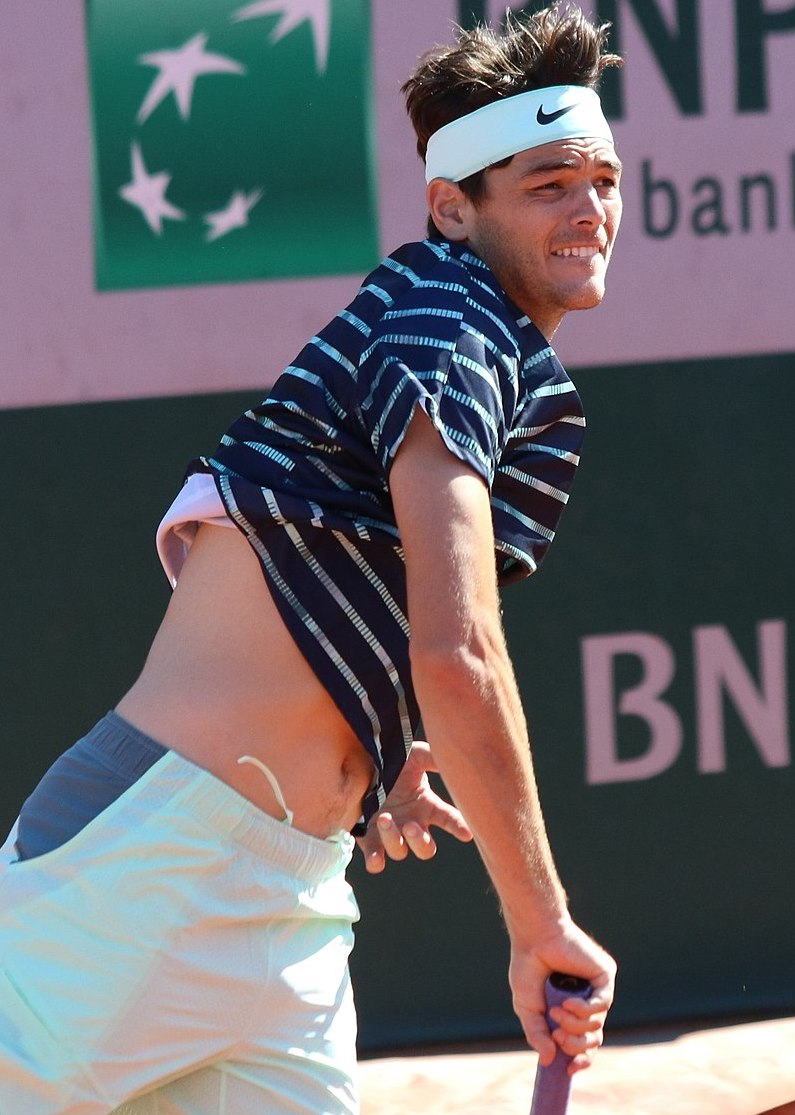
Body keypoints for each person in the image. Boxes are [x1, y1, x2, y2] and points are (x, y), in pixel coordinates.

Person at [0, 4, 623, 1112]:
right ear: (452, 206)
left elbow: (316, 562)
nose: (589, 209)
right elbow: (459, 654)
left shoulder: (462, 329)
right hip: (139, 876)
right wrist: (539, 924)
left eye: (602, 180)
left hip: (291, 896)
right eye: (547, 184)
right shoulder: (444, 320)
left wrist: (366, 744)